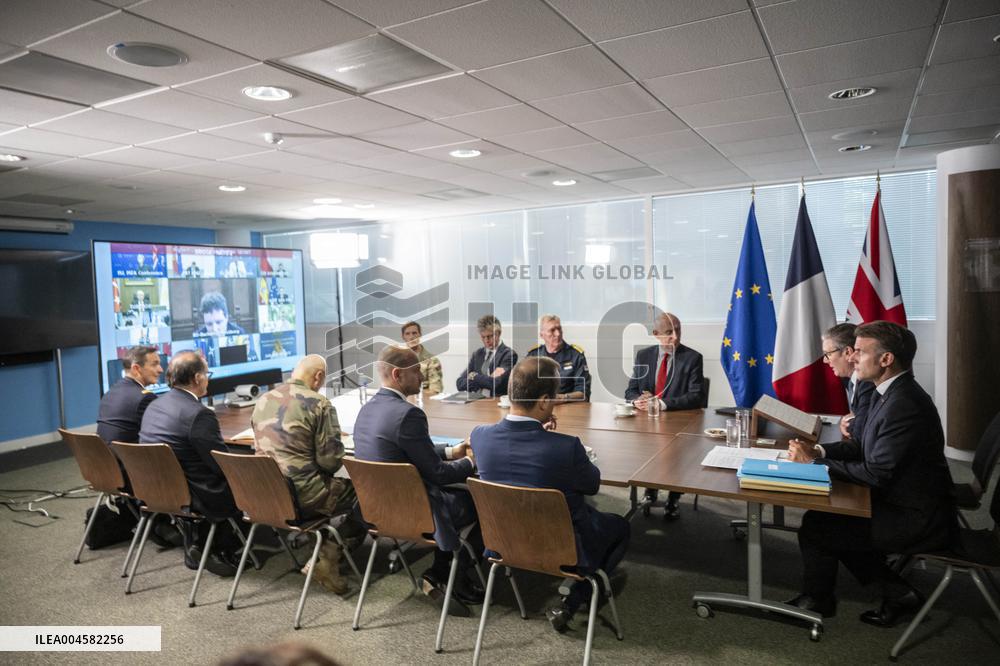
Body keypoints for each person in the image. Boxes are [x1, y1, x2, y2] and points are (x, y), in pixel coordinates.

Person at [786, 321, 957, 627]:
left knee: (820, 527)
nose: (852, 357)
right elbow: (862, 447)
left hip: (917, 516)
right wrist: (818, 454)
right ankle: (896, 593)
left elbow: (875, 473)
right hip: (901, 499)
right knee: (825, 520)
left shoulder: (903, 404)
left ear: (886, 359)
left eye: (861, 352)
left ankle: (819, 601)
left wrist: (812, 466)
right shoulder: (887, 392)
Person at [471, 357, 630, 633]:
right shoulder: (566, 448)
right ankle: (574, 599)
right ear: (544, 401)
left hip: (503, 543)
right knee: (621, 526)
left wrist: (540, 435)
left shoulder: (479, 437)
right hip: (564, 548)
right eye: (554, 397)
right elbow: (592, 484)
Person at [353, 345, 483, 616]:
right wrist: (472, 462)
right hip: (418, 511)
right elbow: (438, 474)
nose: (422, 375)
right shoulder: (409, 414)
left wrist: (451, 451)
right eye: (417, 371)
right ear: (399, 375)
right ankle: (450, 574)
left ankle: (440, 571)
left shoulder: (367, 410)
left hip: (379, 511)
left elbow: (405, 452)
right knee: (483, 502)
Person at [252, 354, 365, 595]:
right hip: (305, 497)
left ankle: (318, 548)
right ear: (318, 376)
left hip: (265, 494)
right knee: (367, 494)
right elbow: (330, 461)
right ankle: (328, 556)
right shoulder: (319, 404)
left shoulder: (263, 399)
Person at [139, 351, 241, 577]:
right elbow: (221, 464)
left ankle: (197, 540)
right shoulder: (199, 414)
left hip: (156, 489)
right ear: (197, 378)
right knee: (247, 481)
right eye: (207, 374)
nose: (208, 378)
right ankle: (216, 545)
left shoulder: (154, 405)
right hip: (198, 493)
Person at [624, 312, 705, 518]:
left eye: (678, 330)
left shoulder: (693, 358)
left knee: (675, 453)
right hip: (649, 424)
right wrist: (637, 401)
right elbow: (630, 390)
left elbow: (696, 397)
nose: (676, 337)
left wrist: (661, 403)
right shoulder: (644, 356)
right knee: (645, 447)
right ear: (655, 334)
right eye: (669, 332)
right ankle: (650, 490)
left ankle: (673, 498)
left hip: (680, 423)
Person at [97, 345, 161, 446]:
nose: (160, 370)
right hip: (129, 458)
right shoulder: (145, 398)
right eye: (154, 365)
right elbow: (160, 434)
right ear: (136, 368)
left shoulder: (110, 392)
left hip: (106, 457)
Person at [821, 322, 875, 439]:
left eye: (828, 354)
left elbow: (859, 431)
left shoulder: (868, 384)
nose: (825, 361)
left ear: (847, 352)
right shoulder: (848, 378)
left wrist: (849, 421)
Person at [525, 314, 591, 402]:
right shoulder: (533, 356)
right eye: (552, 330)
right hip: (539, 408)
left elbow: (583, 393)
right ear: (542, 335)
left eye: (559, 329)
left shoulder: (576, 356)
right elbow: (523, 387)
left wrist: (564, 398)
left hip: (568, 407)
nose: (558, 333)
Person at [456, 314, 517, 397]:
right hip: (477, 402)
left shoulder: (508, 355)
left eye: (490, 336)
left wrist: (473, 376)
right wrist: (481, 384)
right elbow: (460, 383)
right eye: (483, 337)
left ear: (498, 333)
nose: (486, 340)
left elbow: (496, 384)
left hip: (496, 402)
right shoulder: (477, 354)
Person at [401, 321, 443, 395]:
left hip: (423, 402)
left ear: (420, 335)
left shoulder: (432, 360)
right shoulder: (396, 359)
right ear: (403, 337)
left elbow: (435, 390)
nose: (411, 337)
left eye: (414, 333)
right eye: (407, 334)